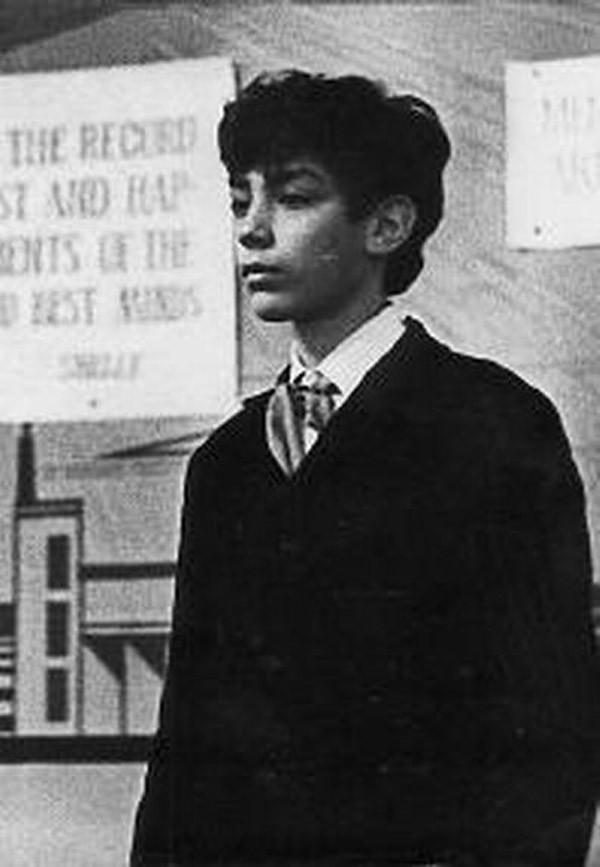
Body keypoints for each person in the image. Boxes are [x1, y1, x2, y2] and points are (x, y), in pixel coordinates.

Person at [131, 70, 600, 866]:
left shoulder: (493, 425)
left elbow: (552, 736)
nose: (252, 229)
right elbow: (186, 742)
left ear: (386, 224)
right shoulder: (226, 462)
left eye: (293, 197)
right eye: (240, 200)